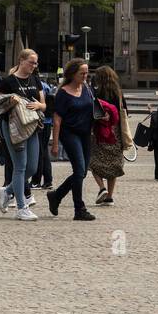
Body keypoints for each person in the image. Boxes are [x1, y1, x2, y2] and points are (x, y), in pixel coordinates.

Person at [0, 49, 47, 220]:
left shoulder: (35, 80)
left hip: (32, 126)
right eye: (31, 62)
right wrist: (12, 103)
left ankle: (6, 191)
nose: (34, 66)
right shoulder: (8, 81)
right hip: (13, 128)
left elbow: (44, 104)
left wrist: (39, 106)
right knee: (20, 166)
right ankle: (21, 207)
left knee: (32, 167)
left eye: (36, 63)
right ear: (21, 60)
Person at [48, 59, 97, 220]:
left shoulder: (87, 89)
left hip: (85, 134)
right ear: (72, 74)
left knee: (81, 173)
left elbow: (93, 109)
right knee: (79, 170)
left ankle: (56, 195)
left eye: (86, 72)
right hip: (69, 134)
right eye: (82, 73)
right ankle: (79, 209)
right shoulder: (63, 93)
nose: (85, 75)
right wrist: (55, 144)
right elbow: (57, 120)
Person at [89, 65, 131, 206]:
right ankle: (109, 197)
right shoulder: (118, 93)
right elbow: (125, 112)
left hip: (100, 132)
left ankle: (102, 188)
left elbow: (93, 111)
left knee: (93, 162)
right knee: (113, 165)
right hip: (115, 133)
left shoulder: (96, 92)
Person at [29, 78, 54, 193]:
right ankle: (48, 180)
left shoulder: (35, 87)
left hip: (40, 121)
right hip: (48, 121)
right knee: (44, 152)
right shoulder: (47, 86)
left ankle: (36, 180)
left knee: (38, 152)